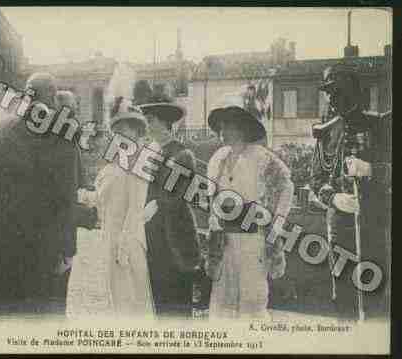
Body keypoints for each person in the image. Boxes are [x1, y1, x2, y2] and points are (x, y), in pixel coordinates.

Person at [0, 73, 92, 314]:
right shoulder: (62, 136)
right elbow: (67, 199)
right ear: (53, 97)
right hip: (45, 251)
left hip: (2, 248)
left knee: (4, 323)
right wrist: (67, 249)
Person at [311, 64, 391, 320]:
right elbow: (316, 179)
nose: (333, 99)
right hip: (340, 223)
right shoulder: (326, 134)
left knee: (374, 287)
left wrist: (372, 169)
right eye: (330, 93)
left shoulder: (379, 126)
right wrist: (333, 197)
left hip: (374, 221)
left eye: (339, 92)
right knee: (343, 290)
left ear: (355, 93)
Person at [205, 91, 294, 319]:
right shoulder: (217, 158)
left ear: (243, 127)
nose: (223, 131)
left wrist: (278, 221)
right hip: (224, 239)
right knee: (223, 297)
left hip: (253, 238)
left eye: (230, 125)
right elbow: (211, 196)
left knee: (252, 298)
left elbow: (286, 186)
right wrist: (214, 216)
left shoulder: (261, 157)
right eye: (221, 126)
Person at [79, 96, 156, 318]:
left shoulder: (139, 162)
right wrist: (83, 196)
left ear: (137, 132)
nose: (120, 135)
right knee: (117, 300)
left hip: (128, 240)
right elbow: (104, 199)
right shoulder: (116, 164)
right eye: (117, 130)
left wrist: (124, 247)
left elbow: (135, 208)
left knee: (130, 303)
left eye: (126, 130)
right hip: (110, 237)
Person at [138, 93, 200, 318]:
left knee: (177, 303)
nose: (147, 124)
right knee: (157, 298)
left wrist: (156, 204)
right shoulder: (147, 152)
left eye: (151, 119)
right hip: (151, 235)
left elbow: (182, 195)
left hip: (175, 236)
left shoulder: (182, 154)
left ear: (164, 123)